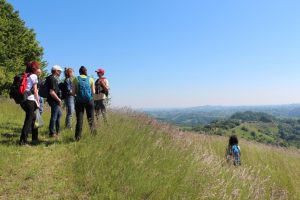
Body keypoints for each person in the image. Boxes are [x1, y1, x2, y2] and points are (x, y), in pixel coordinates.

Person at [72, 66, 96, 141]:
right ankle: (94, 137)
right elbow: (93, 92)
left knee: (79, 120)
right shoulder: (91, 79)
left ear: (79, 72)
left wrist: (77, 95)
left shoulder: (75, 79)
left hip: (79, 101)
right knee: (91, 119)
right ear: (86, 71)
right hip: (89, 101)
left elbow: (73, 93)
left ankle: (77, 138)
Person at [19, 61, 40, 145]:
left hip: (24, 100)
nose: (38, 68)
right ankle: (22, 142)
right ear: (34, 68)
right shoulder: (34, 76)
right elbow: (35, 91)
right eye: (37, 67)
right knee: (28, 121)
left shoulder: (26, 75)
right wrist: (38, 102)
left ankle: (34, 139)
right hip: (30, 101)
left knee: (34, 120)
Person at [47, 65, 63, 138]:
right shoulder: (52, 79)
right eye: (59, 71)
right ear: (56, 71)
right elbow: (52, 92)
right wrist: (58, 99)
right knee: (54, 116)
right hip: (54, 100)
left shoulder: (51, 78)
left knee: (59, 114)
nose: (60, 73)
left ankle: (57, 131)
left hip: (53, 100)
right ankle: (52, 133)